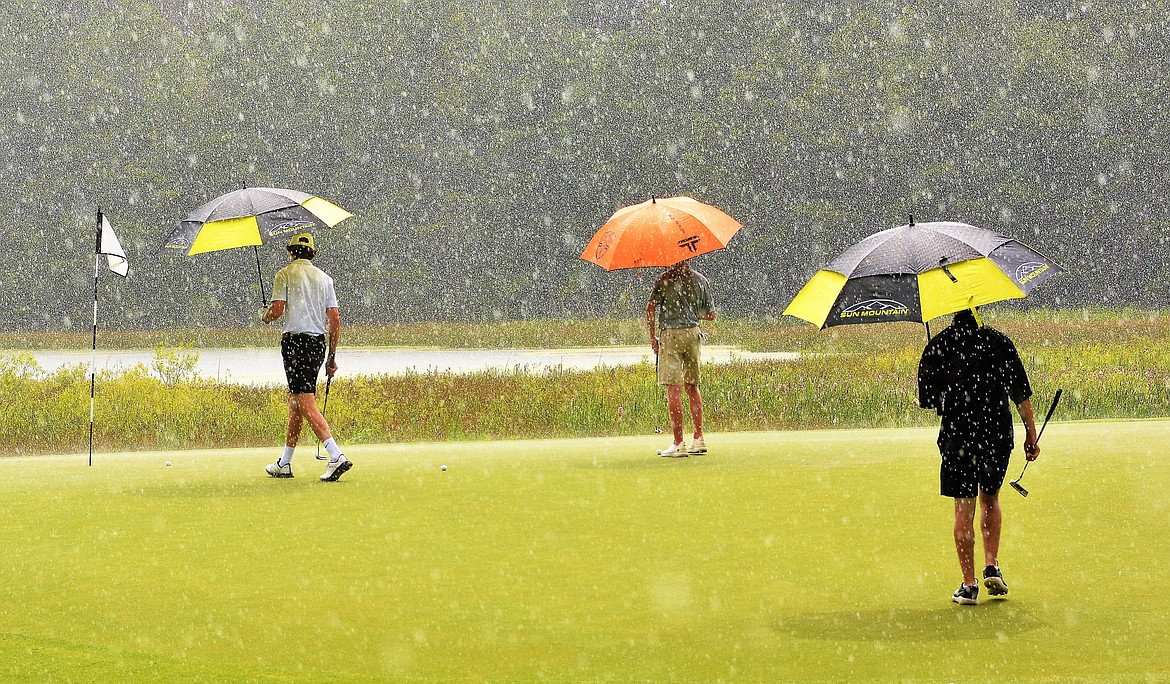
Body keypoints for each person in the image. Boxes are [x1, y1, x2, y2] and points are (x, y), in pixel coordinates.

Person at [917, 308, 1039, 605]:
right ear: (977, 310)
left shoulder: (938, 346)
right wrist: (1031, 435)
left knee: (963, 510)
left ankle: (969, 585)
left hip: (958, 438)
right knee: (991, 498)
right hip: (996, 436)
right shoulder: (999, 342)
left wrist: (941, 388)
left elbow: (928, 399)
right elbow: (1021, 395)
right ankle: (991, 564)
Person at [259, 233, 352, 482]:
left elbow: (277, 311)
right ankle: (285, 462)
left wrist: (265, 315)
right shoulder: (325, 279)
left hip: (294, 343)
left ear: (291, 251)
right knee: (296, 402)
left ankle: (335, 455)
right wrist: (331, 357)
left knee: (305, 401)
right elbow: (334, 319)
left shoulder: (284, 274)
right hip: (317, 344)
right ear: (311, 252)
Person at [646, 259, 716, 457]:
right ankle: (698, 437)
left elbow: (650, 309)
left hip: (670, 335)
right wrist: (692, 312)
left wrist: (653, 337)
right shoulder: (701, 280)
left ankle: (678, 443)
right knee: (692, 386)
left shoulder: (664, 280)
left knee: (673, 387)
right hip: (693, 334)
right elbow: (710, 314)